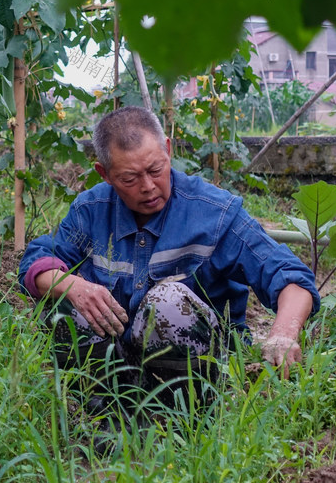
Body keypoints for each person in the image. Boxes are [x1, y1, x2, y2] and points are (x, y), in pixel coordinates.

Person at [18, 106, 319, 413]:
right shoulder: (90, 210)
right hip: (116, 368)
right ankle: (101, 410)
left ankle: (184, 417)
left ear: (168, 150)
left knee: (168, 302)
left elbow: (290, 276)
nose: (147, 187)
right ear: (104, 174)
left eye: (155, 170)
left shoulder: (213, 213)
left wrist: (283, 333)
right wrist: (73, 286)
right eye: (130, 178)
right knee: (63, 298)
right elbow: (38, 261)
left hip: (197, 370)